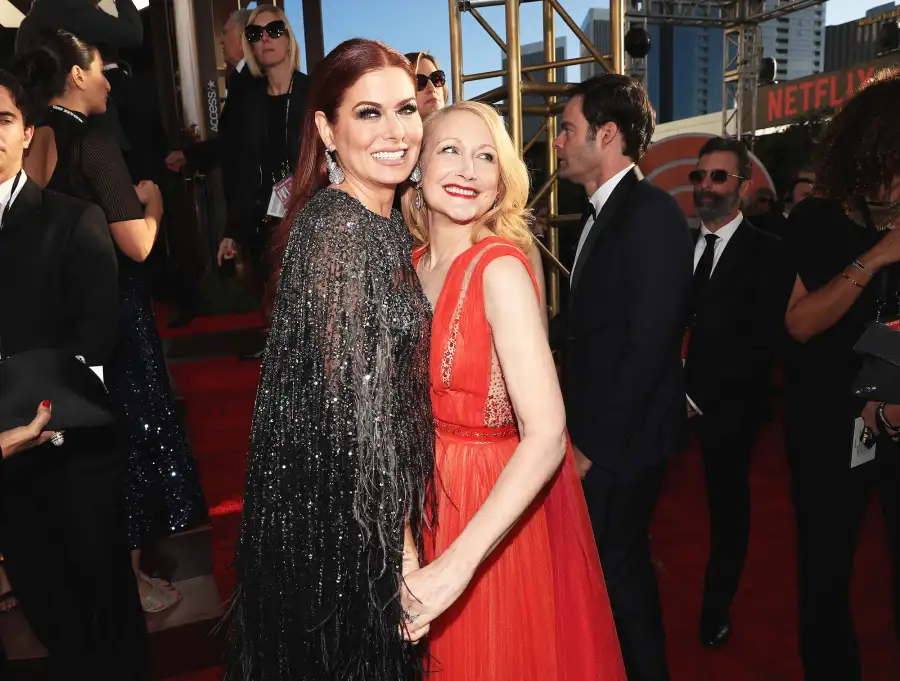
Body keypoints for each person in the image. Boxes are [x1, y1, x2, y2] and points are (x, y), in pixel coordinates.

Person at [224, 38, 433, 681]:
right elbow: (357, 427)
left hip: (343, 517)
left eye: (406, 108)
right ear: (326, 128)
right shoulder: (340, 233)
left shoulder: (376, 222)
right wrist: (403, 561)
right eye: (369, 114)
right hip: (345, 533)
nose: (396, 131)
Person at [397, 100, 625, 680]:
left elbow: (547, 435)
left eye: (485, 158)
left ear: (501, 181)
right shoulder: (409, 266)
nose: (469, 170)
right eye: (449, 150)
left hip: (489, 517)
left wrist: (454, 567)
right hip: (422, 504)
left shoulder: (498, 268)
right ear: (417, 167)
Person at [17, 30, 207, 613]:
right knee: (129, 436)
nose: (108, 79)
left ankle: (86, 577)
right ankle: (128, 581)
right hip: (115, 314)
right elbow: (139, 245)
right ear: (76, 75)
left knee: (77, 444)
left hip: (55, 320)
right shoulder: (93, 141)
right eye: (101, 68)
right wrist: (151, 199)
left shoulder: (32, 138)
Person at [0, 65, 146, 679]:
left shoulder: (72, 219)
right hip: (5, 471)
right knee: (46, 615)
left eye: (2, 119)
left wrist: (36, 423)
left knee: (104, 622)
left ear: (27, 132)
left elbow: (92, 349)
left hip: (71, 458)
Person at [551, 73, 694, 681]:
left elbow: (650, 345)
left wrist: (592, 447)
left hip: (622, 443)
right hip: (606, 433)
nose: (557, 141)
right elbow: (587, 326)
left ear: (606, 135)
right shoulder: (602, 215)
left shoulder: (650, 214)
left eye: (567, 129)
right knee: (608, 575)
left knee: (620, 575)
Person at [783, 66, 900, 681]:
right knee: (825, 576)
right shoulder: (819, 221)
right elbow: (800, 323)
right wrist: (878, 255)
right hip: (829, 428)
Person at [683, 137, 794, 648]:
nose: (705, 186)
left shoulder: (769, 254)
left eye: (718, 177)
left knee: (728, 512)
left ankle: (715, 606)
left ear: (743, 188)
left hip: (730, 410)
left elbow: (763, 342)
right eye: (699, 176)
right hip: (665, 401)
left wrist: (701, 394)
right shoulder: (676, 246)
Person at [218, 5, 310, 316]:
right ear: (251, 47)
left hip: (310, 221)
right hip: (265, 226)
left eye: (275, 30)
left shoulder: (313, 93)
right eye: (256, 34)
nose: (266, 39)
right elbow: (244, 170)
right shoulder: (249, 102)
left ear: (288, 38)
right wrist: (232, 231)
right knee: (276, 316)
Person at [165, 8, 255, 176]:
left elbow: (233, 141)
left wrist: (189, 155)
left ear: (243, 36)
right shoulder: (242, 78)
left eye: (225, 32)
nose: (221, 40)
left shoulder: (251, 80)